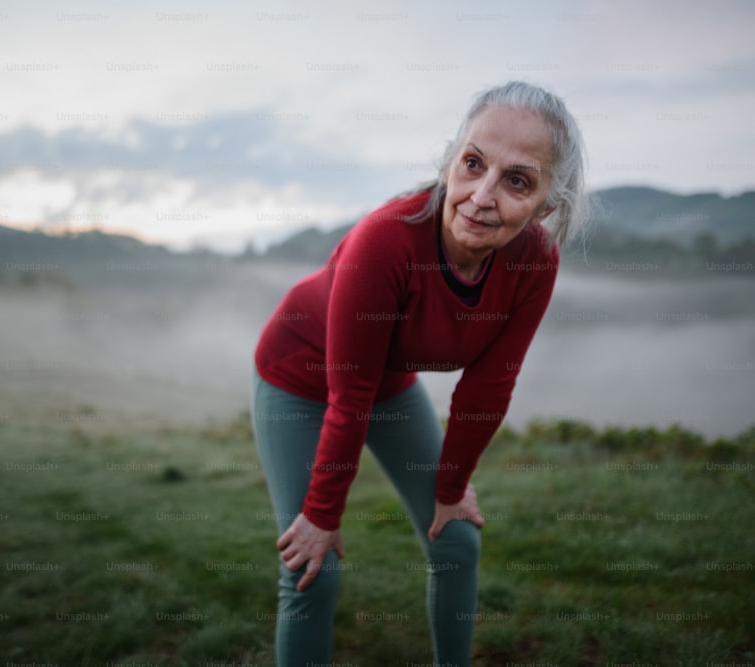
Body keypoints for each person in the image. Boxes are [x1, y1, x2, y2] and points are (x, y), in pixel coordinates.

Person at [250, 80, 589, 666]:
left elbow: (490, 384)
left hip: (385, 384)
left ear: (545, 207)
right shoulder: (385, 239)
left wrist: (452, 489)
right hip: (299, 379)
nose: (482, 196)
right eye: (473, 164)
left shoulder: (535, 260)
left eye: (516, 180)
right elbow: (347, 393)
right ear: (450, 162)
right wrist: (323, 515)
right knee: (313, 566)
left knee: (457, 538)